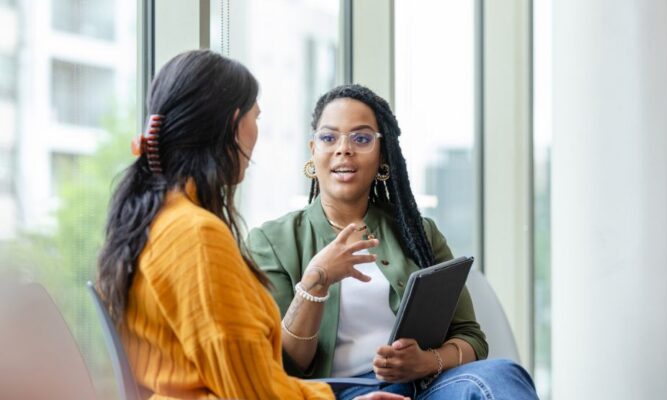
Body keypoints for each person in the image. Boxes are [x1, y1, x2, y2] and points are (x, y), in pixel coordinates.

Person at [95, 50, 407, 400]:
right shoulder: (195, 236)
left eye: (361, 139)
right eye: (256, 116)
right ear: (235, 125)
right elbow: (253, 392)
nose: (343, 151)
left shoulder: (160, 220)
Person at [248, 84, 539, 399]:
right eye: (329, 137)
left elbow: (471, 338)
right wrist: (316, 281)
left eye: (361, 138)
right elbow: (283, 365)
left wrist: (424, 362)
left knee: (501, 374)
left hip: (424, 386)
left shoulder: (419, 234)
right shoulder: (271, 241)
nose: (343, 149)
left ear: (382, 155)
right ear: (313, 150)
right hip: (334, 393)